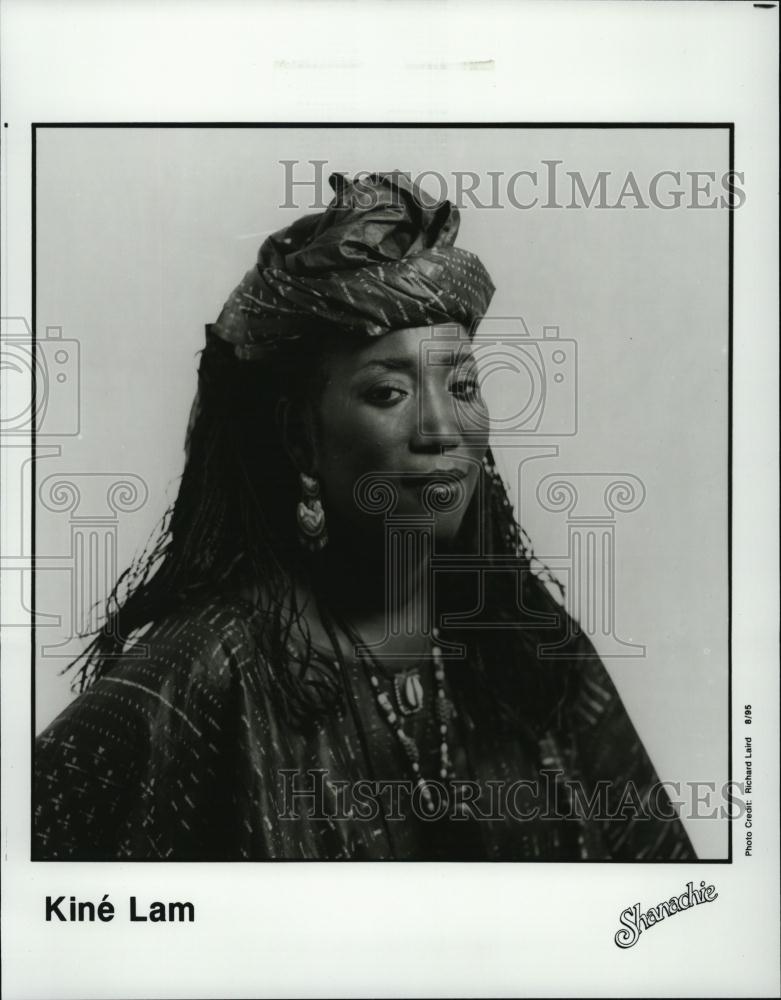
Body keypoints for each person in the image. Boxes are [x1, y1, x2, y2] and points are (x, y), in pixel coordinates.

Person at [34, 171, 695, 861]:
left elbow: (670, 910)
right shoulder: (203, 671)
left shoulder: (528, 645)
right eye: (388, 392)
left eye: (462, 385)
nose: (442, 428)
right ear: (299, 438)